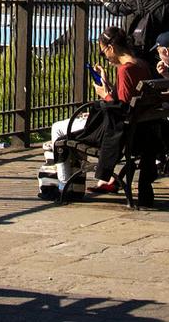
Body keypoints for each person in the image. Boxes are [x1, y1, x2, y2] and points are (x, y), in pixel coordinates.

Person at [50, 27, 158, 201]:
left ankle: (64, 185)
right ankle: (73, 184)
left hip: (119, 132)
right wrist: (107, 85)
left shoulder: (125, 70)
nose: (105, 57)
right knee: (68, 127)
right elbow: (127, 101)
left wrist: (104, 95)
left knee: (58, 129)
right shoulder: (142, 65)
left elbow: (121, 109)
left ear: (111, 48)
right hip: (144, 129)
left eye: (103, 52)